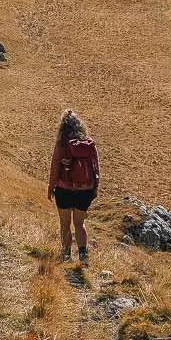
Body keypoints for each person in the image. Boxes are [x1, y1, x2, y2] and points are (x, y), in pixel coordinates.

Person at [46, 109, 99, 262]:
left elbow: (55, 166)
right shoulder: (88, 143)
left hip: (64, 189)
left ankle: (66, 254)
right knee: (80, 224)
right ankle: (83, 256)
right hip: (85, 190)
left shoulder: (62, 144)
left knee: (65, 224)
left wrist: (51, 187)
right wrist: (94, 187)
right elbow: (96, 167)